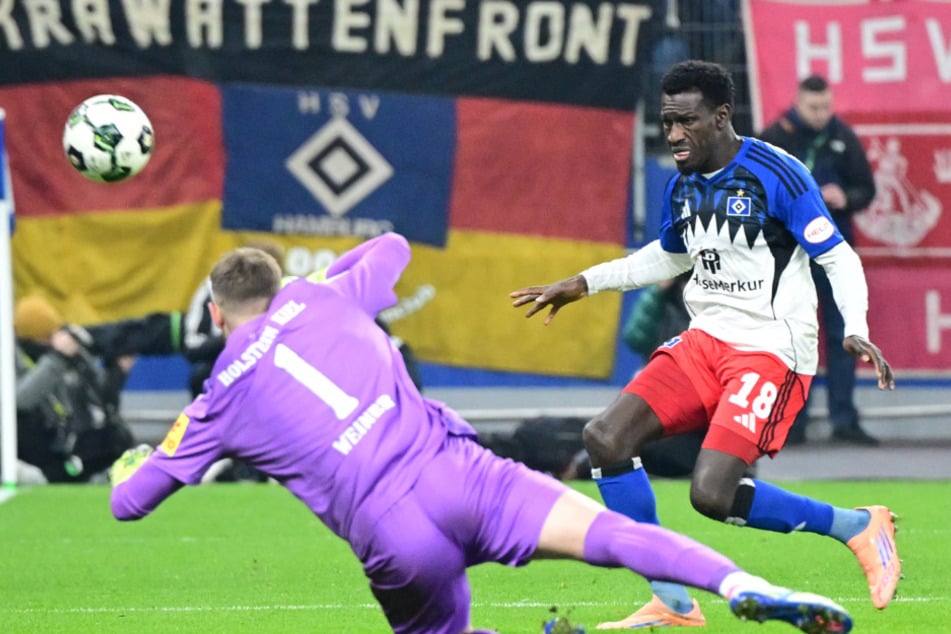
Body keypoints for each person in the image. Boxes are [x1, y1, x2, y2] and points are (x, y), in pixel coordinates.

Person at [108, 233, 854, 634]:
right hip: (461, 475)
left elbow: (130, 503)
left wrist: (134, 465)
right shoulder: (322, 299)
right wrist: (320, 288)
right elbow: (392, 246)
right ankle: (745, 585)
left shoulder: (215, 399)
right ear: (277, 289)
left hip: (392, 535)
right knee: (615, 536)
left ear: (215, 314)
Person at [510, 60, 899, 630]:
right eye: (667, 122)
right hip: (704, 342)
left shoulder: (778, 173)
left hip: (771, 351)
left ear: (721, 117)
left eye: (685, 121)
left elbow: (836, 256)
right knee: (605, 439)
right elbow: (670, 256)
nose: (673, 134)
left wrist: (855, 325)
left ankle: (856, 526)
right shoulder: (682, 184)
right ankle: (673, 600)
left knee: (712, 495)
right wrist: (585, 282)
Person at [759, 74, 878, 446]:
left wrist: (846, 197)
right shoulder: (774, 138)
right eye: (813, 108)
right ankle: (793, 423)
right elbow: (754, 193)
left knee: (845, 335)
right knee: (794, 337)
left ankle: (844, 419)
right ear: (797, 102)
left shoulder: (842, 136)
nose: (820, 114)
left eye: (826, 107)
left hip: (834, 254)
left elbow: (867, 189)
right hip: (791, 255)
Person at [13, 296, 135, 482]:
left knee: (115, 438)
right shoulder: (14, 359)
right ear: (29, 339)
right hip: (40, 442)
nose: (54, 340)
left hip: (72, 440)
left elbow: (101, 397)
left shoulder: (68, 352)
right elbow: (21, 400)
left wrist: (117, 372)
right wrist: (57, 358)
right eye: (47, 337)